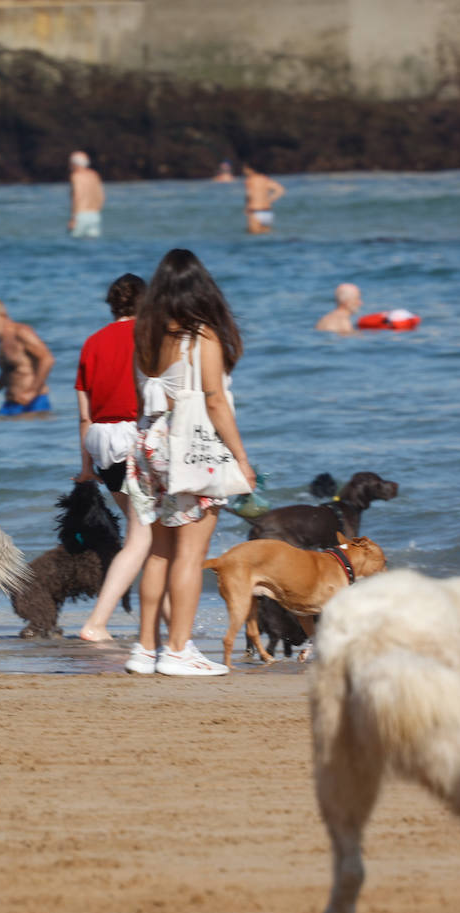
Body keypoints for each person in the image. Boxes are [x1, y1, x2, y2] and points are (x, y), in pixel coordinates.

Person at [121, 249, 256, 677]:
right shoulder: (203, 337)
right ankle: (178, 649)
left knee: (158, 552)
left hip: (149, 446)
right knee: (191, 552)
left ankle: (146, 649)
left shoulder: (146, 336)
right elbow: (214, 401)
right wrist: (242, 458)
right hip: (190, 449)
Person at [74, 273, 149, 641]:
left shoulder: (92, 343)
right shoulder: (150, 336)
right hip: (135, 437)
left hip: (101, 442)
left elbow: (84, 413)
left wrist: (87, 467)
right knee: (143, 535)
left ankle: (157, 626)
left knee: (145, 534)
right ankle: (97, 623)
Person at [0, 298, 54, 416]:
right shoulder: (2, 339)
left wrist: (32, 392)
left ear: (1, 316)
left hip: (34, 403)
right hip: (10, 404)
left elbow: (47, 359)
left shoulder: (21, 332)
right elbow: (8, 371)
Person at [68, 150, 105, 238]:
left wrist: (73, 218)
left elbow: (77, 196)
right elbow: (101, 196)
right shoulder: (94, 175)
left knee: (75, 246)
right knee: (93, 246)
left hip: (80, 215)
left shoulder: (76, 176)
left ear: (75, 163)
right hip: (95, 215)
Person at [243, 163, 285, 234]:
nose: (244, 171)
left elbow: (249, 195)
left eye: (245, 169)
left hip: (255, 211)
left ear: (250, 170)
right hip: (267, 211)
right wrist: (269, 199)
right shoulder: (265, 179)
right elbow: (280, 190)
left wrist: (246, 207)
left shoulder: (250, 180)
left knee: (254, 237)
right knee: (266, 237)